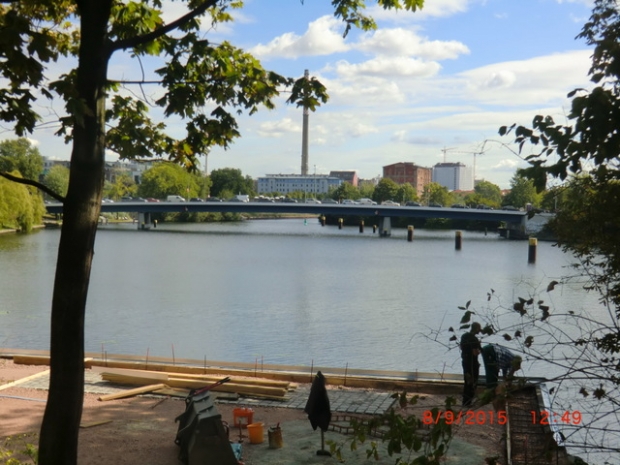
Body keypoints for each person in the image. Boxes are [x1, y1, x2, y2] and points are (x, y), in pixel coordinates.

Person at [460, 322, 482, 407]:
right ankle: (469, 401)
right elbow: (475, 353)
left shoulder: (464, 336)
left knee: (467, 381)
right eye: (479, 329)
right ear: (476, 329)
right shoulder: (474, 339)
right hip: (473, 363)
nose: (479, 331)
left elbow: (461, 347)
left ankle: (465, 401)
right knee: (473, 382)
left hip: (465, 362)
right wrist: (479, 348)